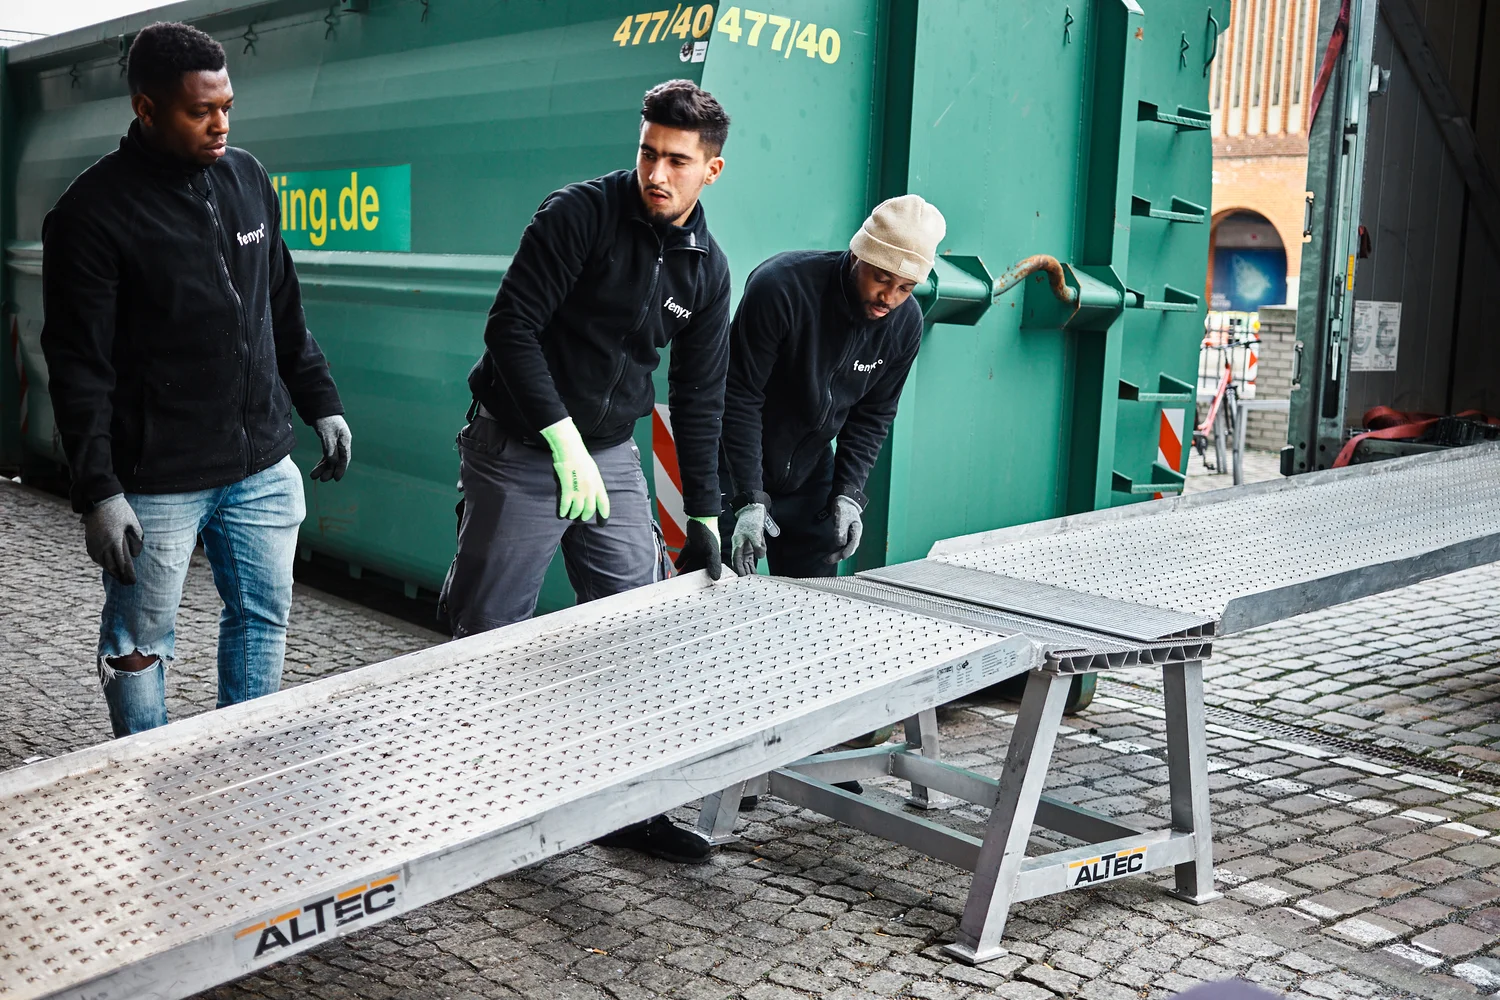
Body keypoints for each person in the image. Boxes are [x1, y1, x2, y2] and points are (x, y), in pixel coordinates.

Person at [440, 80, 733, 862]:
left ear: (712, 170)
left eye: (677, 160)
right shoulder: (577, 215)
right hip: (518, 449)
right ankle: (476, 808)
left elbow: (700, 395)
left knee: (636, 629)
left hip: (609, 454)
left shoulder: (705, 267)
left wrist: (703, 513)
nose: (656, 173)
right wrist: (559, 437)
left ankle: (629, 807)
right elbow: (512, 328)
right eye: (647, 152)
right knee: (488, 634)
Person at [40, 22, 352, 739]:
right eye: (199, 111)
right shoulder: (91, 215)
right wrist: (100, 491)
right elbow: (79, 367)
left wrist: (321, 403)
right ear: (146, 109)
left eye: (228, 107)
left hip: (262, 467)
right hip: (159, 481)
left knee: (263, 618)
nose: (220, 125)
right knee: (140, 644)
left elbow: (280, 307)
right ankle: (150, 779)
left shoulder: (246, 177)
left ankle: (237, 771)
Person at [719, 195, 946, 579]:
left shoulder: (905, 324)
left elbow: (872, 417)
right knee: (716, 606)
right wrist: (748, 498)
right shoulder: (781, 288)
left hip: (811, 477)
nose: (888, 299)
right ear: (859, 255)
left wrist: (848, 493)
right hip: (732, 465)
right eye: (882, 278)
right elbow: (739, 397)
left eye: (906, 287)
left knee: (811, 611)